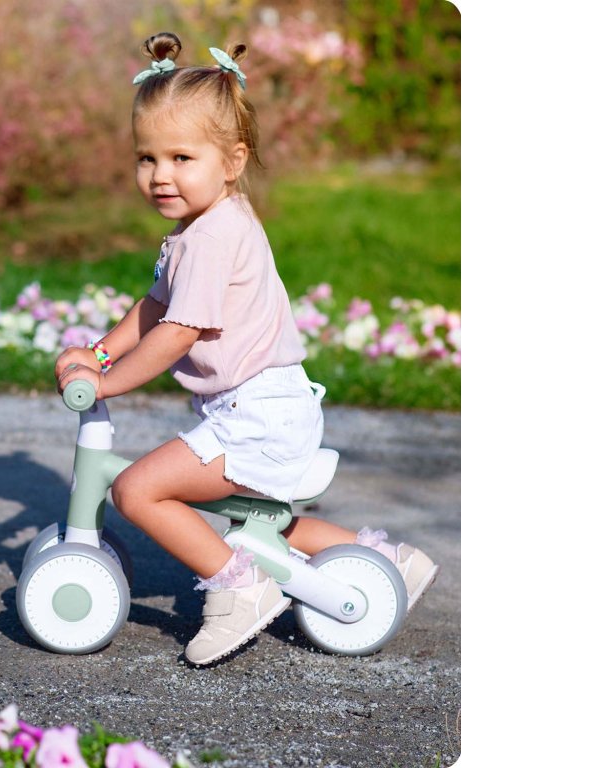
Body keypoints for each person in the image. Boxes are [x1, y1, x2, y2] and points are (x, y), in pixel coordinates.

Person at [55, 32, 438, 666]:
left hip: (257, 416)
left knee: (137, 491)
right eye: (147, 158)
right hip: (265, 406)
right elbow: (154, 306)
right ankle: (387, 561)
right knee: (263, 522)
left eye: (182, 157)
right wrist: (98, 355)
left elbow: (177, 330)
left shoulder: (210, 237)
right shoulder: (204, 225)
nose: (161, 175)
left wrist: (108, 383)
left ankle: (239, 590)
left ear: (231, 161)